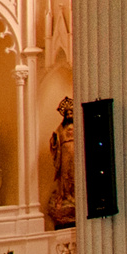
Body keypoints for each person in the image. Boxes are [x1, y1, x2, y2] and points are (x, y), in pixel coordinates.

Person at [47, 97, 76, 226]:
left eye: (71, 113)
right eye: (67, 113)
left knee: (75, 174)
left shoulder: (77, 126)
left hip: (75, 151)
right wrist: (54, 140)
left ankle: (75, 194)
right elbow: (55, 141)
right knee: (65, 174)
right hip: (65, 152)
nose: (69, 115)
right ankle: (66, 195)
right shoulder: (61, 128)